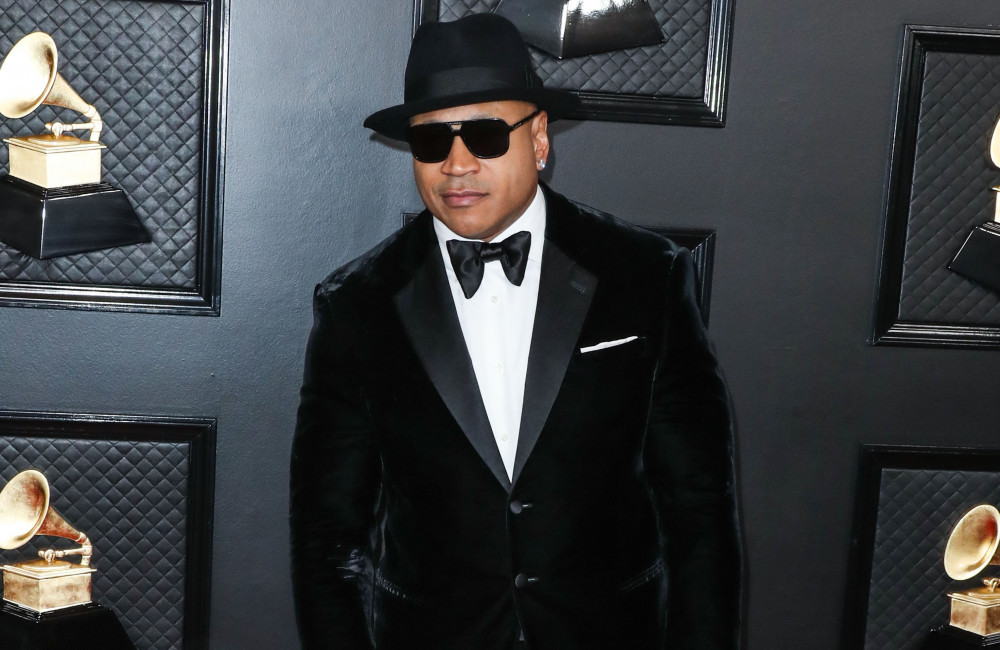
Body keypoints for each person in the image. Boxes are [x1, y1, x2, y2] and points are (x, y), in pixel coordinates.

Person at [291, 13, 741, 650]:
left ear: (539, 139)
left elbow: (699, 511)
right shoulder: (356, 305)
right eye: (431, 142)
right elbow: (327, 539)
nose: (456, 164)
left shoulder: (646, 277)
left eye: (484, 135)